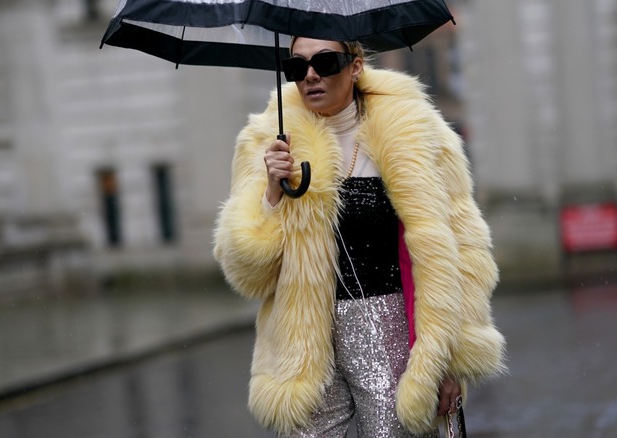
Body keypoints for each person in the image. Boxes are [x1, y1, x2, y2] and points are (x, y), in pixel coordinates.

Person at [213, 37, 506, 437]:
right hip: (302, 342)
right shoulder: (267, 140)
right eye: (297, 68)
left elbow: (465, 250)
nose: (311, 75)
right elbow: (249, 274)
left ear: (355, 66)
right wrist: (271, 193)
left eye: (325, 62)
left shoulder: (414, 133)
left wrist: (451, 360)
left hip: (386, 330)